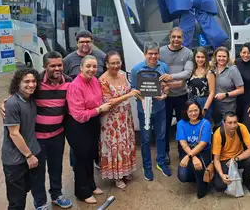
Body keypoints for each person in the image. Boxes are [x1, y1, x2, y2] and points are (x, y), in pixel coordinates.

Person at [0, 52, 73, 209]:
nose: (57, 68)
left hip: (58, 135)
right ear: (45, 66)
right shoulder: (37, 81)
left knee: (56, 167)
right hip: (38, 138)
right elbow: (20, 90)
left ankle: (56, 194)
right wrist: (5, 102)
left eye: (59, 65)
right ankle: (40, 203)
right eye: (52, 65)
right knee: (37, 173)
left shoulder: (69, 82)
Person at [66, 55, 111, 204]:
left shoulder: (94, 81)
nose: (91, 69)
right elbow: (78, 114)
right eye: (88, 66)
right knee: (81, 158)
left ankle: (91, 185)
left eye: (94, 66)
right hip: (78, 126)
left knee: (91, 154)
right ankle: (82, 191)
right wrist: (98, 109)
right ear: (81, 67)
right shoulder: (75, 86)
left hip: (92, 122)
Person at [63, 30, 106, 169]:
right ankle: (77, 168)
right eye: (82, 42)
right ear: (77, 43)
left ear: (92, 42)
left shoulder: (101, 57)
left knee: (93, 141)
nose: (85, 44)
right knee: (78, 144)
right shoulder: (68, 60)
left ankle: (94, 163)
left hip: (95, 108)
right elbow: (56, 76)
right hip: (77, 110)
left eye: (88, 41)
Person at [131, 42, 171, 181]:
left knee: (161, 136)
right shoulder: (137, 69)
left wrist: (165, 94)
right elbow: (133, 89)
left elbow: (166, 86)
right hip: (144, 110)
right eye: (150, 53)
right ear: (144, 54)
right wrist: (141, 99)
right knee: (146, 139)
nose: (153, 56)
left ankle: (160, 162)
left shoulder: (164, 67)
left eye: (156, 53)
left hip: (160, 108)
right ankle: (146, 166)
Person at [99, 50, 139, 189]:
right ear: (106, 64)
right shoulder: (103, 80)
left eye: (118, 62)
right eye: (112, 63)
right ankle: (116, 176)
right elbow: (108, 102)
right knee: (114, 146)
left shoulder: (122, 74)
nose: (116, 66)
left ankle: (125, 170)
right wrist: (127, 96)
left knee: (126, 142)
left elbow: (131, 90)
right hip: (111, 119)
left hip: (125, 115)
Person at [2, 68, 40, 210]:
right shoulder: (12, 103)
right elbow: (14, 133)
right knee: (16, 202)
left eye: (34, 81)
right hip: (15, 161)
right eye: (27, 81)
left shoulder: (29, 99)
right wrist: (29, 155)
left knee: (24, 191)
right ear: (18, 83)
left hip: (27, 157)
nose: (31, 85)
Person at [159, 27, 193, 165]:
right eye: (174, 36)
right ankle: (165, 152)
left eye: (179, 37)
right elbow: (156, 69)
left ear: (182, 38)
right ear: (169, 37)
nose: (176, 39)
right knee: (164, 125)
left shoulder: (188, 53)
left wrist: (170, 77)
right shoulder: (161, 51)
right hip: (165, 96)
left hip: (181, 95)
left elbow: (188, 73)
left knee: (182, 124)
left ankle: (182, 150)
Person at [212, 111, 250, 195]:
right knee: (220, 186)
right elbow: (216, 159)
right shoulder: (218, 134)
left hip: (238, 157)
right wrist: (221, 175)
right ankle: (218, 175)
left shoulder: (241, 128)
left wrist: (235, 159)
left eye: (235, 122)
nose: (233, 125)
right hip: (224, 160)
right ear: (224, 123)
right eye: (229, 123)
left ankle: (247, 181)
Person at [176, 99, 212, 199]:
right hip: (187, 150)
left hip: (203, 152)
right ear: (186, 112)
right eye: (190, 111)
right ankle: (196, 177)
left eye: (195, 110)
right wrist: (191, 156)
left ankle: (202, 185)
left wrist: (189, 156)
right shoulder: (181, 123)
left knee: (198, 166)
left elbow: (202, 145)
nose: (193, 113)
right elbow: (183, 144)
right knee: (182, 175)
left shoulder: (206, 124)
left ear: (200, 110)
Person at [212, 46, 244, 128]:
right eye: (219, 56)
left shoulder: (233, 70)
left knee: (227, 129)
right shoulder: (212, 68)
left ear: (228, 57)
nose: (221, 58)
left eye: (224, 56)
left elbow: (241, 90)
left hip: (228, 106)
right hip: (213, 105)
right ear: (215, 56)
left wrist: (225, 94)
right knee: (215, 129)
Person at [187, 47, 215, 120]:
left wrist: (205, 109)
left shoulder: (209, 72)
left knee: (203, 126)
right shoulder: (192, 70)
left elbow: (212, 93)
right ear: (194, 57)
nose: (200, 59)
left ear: (206, 58)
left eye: (202, 57)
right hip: (191, 100)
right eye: (198, 57)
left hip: (204, 101)